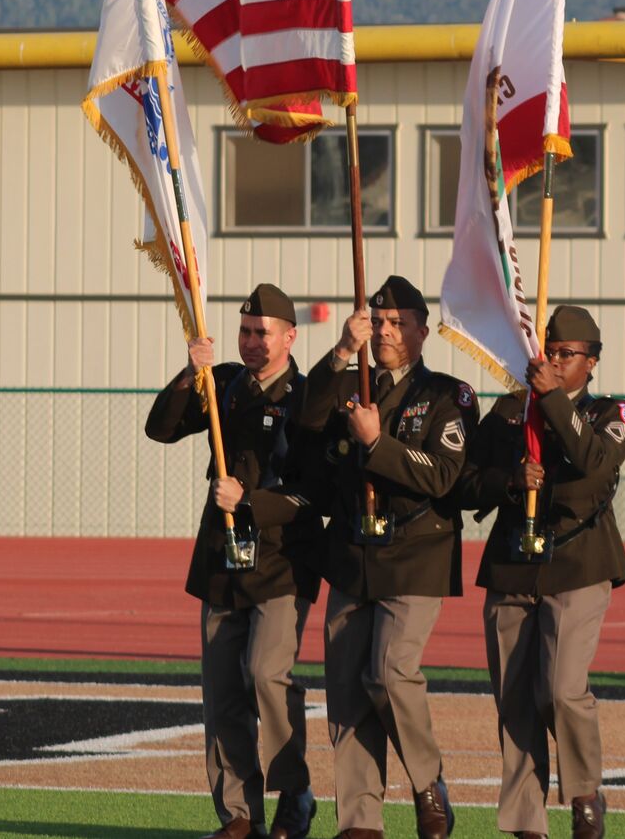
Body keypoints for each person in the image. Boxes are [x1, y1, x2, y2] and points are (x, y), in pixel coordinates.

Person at [146, 283, 324, 839]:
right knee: (223, 691)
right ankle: (240, 815)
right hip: (223, 558)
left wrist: (250, 501)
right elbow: (161, 428)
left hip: (281, 558)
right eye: (244, 332)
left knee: (266, 676)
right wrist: (189, 372)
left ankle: (294, 793)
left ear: (289, 337)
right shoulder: (221, 382)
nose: (250, 342)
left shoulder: (308, 396)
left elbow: (316, 491)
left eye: (261, 333)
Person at [306, 274, 476, 839]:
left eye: (398, 323)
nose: (385, 331)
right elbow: (305, 422)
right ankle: (360, 822)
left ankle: (428, 784)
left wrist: (377, 444)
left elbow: (444, 476)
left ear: (422, 332)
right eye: (377, 322)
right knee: (346, 691)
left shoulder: (447, 396)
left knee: (388, 672)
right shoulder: (350, 383)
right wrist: (341, 351)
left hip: (414, 552)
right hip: (353, 553)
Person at [459, 305, 625, 839]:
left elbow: (592, 464)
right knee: (514, 700)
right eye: (548, 352)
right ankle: (525, 822)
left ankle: (584, 793)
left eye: (566, 354)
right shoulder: (511, 410)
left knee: (560, 690)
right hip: (513, 566)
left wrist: (553, 399)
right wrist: (510, 480)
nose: (554, 361)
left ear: (591, 362)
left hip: (577, 564)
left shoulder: (612, 412)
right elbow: (464, 483)